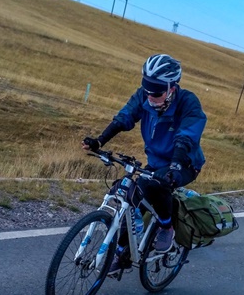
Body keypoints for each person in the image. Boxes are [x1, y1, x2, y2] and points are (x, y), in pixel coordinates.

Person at [82, 53, 207, 275]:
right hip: (156, 161)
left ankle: (166, 227)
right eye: (146, 87)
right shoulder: (146, 96)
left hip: (185, 162)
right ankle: (123, 252)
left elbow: (186, 136)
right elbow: (125, 117)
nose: (150, 95)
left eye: (156, 91)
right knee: (127, 195)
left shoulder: (188, 102)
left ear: (171, 88)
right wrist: (100, 140)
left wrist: (176, 166)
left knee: (155, 187)